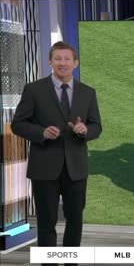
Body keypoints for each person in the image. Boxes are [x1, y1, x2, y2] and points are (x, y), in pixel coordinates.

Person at [11, 41, 102, 254]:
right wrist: (40, 133)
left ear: (75, 63)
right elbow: (18, 124)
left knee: (75, 222)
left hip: (76, 168)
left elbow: (96, 126)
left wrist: (84, 130)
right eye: (58, 59)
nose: (63, 63)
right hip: (44, 167)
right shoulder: (33, 90)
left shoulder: (88, 92)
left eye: (67, 59)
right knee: (46, 224)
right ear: (50, 62)